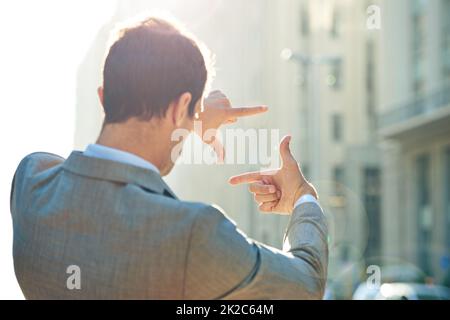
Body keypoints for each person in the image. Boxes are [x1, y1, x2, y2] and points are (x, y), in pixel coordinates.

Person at [10, 15, 328, 300]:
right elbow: (306, 285)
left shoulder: (31, 181)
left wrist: (187, 114)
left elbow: (108, 176)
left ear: (103, 98)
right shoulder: (194, 233)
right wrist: (303, 198)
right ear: (180, 108)